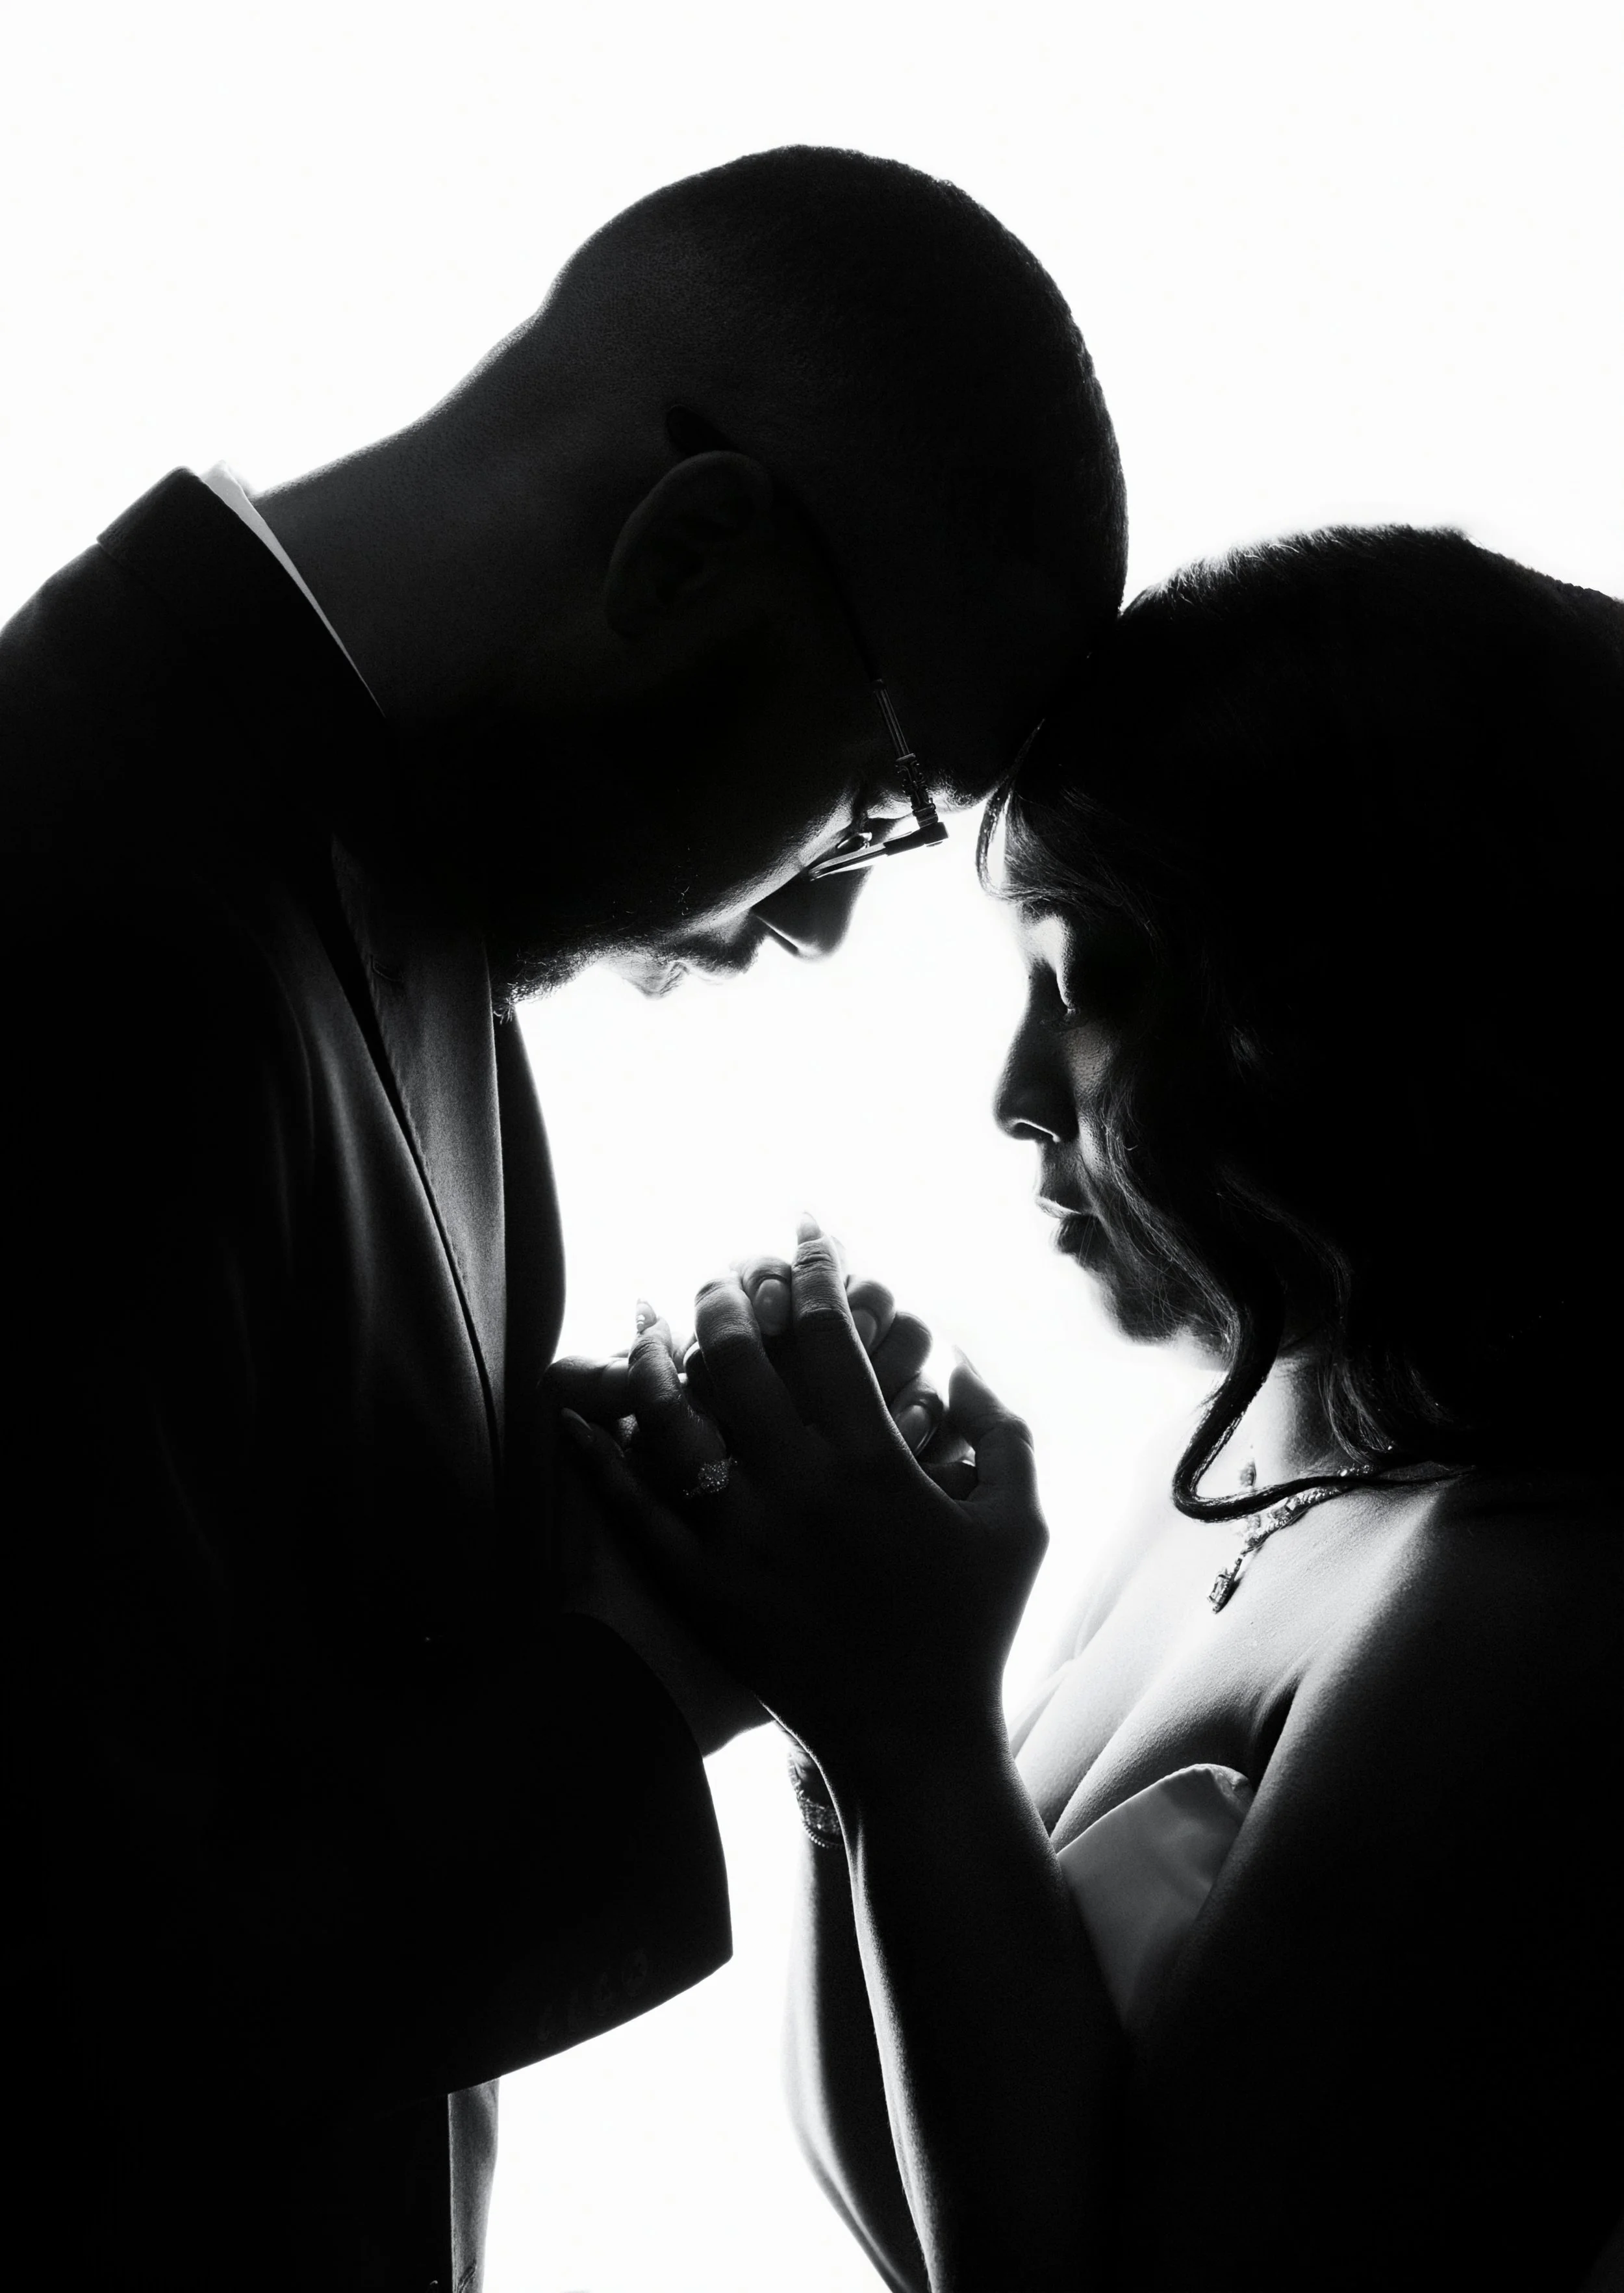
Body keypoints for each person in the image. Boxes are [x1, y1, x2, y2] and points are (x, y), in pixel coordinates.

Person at [2, 146, 1126, 2290]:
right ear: (693, 551)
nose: (811, 924)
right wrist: (654, 1668)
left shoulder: (360, 906)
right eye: (873, 807)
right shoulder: (80, 925)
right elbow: (72, 2018)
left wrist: (681, 1519)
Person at [568, 526, 1623, 2290]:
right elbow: (917, 2212)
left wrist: (905, 1724)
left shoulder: (1548, 1605)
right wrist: (830, 1685)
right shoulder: (1242, 1451)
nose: (1008, 1095)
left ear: (1364, 1000)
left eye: (1096, 988)